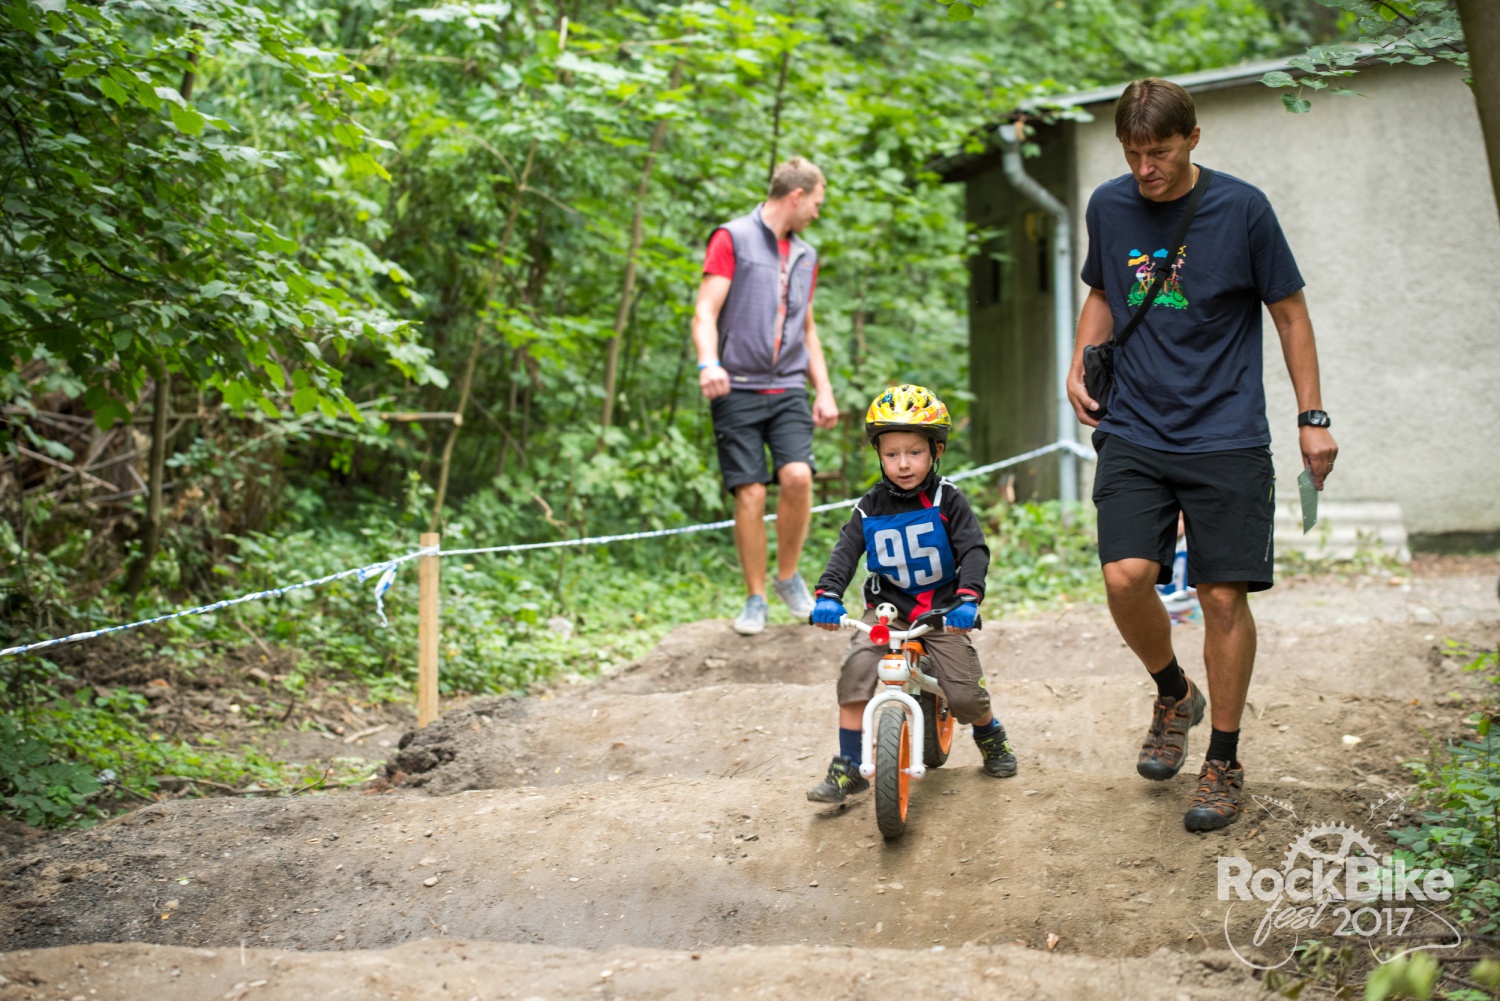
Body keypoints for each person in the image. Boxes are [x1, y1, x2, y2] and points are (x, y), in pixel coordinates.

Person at [1067, 78, 1338, 831]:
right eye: (1132, 153)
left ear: (1193, 138)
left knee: (1221, 597)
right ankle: (1173, 692)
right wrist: (1079, 361)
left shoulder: (1243, 209)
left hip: (1226, 432)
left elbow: (1290, 315)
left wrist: (1312, 416)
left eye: (1157, 152)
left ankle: (1223, 758)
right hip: (1135, 426)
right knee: (1125, 576)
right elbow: (1103, 289)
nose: (1144, 169)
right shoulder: (1109, 205)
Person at [805, 385, 1016, 803]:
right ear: (879, 455)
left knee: (963, 693)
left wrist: (968, 599)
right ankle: (849, 765)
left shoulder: (947, 499)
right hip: (887, 610)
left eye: (915, 452)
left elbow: (974, 550)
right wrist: (828, 595)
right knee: (856, 669)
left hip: (941, 610)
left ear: (937, 451)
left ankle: (990, 734)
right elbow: (846, 552)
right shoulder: (869, 507)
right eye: (892, 454)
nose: (903, 464)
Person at [692, 157, 840, 636]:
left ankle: (787, 578)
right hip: (735, 386)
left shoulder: (806, 255)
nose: (817, 212)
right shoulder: (731, 238)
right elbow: (704, 311)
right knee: (752, 491)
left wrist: (824, 389)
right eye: (816, 203)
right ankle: (754, 598)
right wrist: (709, 362)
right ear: (797, 196)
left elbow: (807, 327)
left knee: (797, 476)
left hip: (789, 386)